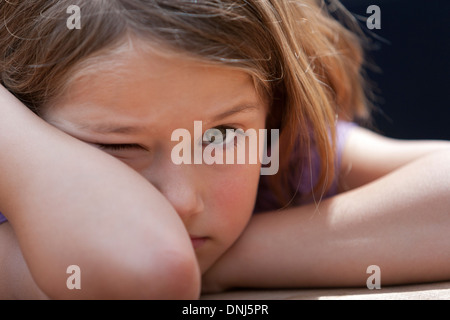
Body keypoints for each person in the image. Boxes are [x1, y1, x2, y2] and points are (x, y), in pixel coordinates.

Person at [0, 0, 449, 299]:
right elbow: (144, 272)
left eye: (219, 137)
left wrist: (236, 260)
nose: (182, 200)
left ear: (272, 112)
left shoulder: (279, 152)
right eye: (118, 145)